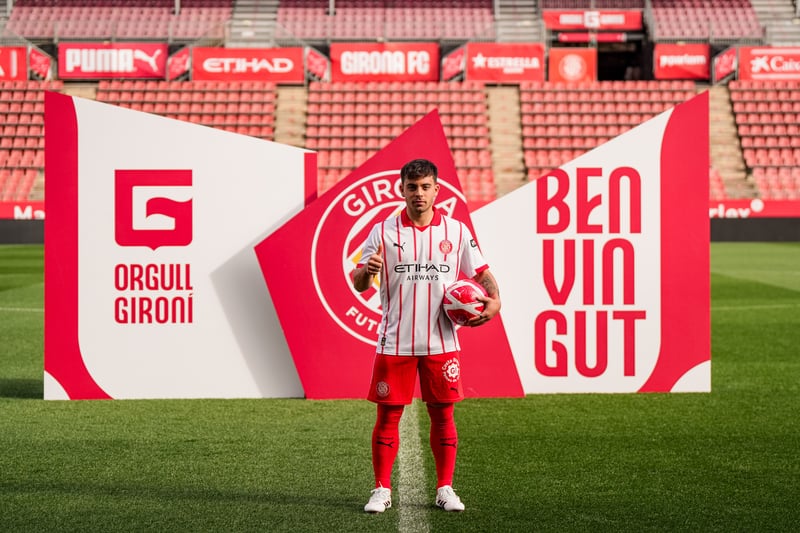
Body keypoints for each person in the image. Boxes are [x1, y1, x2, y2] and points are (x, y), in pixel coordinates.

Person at [352, 158, 501, 514]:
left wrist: (495, 300)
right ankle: (381, 489)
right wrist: (367, 271)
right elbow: (358, 283)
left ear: (436, 189)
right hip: (395, 340)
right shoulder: (382, 231)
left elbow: (481, 273)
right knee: (387, 417)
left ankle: (445, 488)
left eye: (425, 187)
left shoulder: (457, 231)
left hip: (442, 341)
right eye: (412, 187)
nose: (418, 193)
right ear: (401, 189)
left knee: (443, 416)